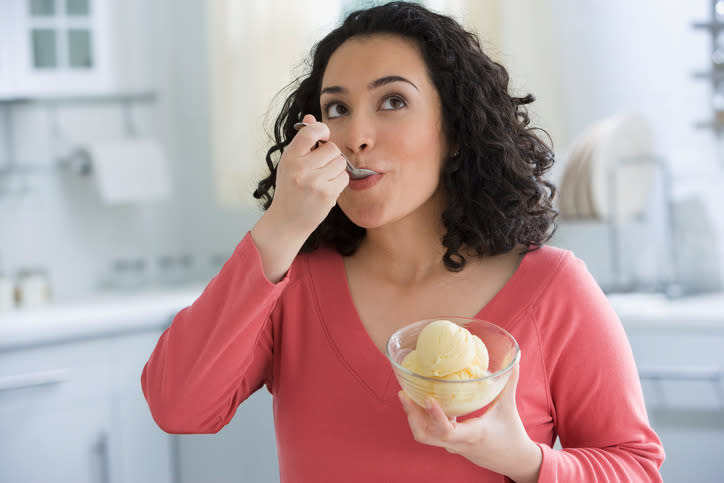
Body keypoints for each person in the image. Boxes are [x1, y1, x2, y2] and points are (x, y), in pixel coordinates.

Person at [142, 2, 665, 481]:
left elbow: (637, 469)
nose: (355, 136)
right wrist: (281, 226)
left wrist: (522, 459)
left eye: (392, 101)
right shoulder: (294, 283)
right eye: (337, 108)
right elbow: (178, 406)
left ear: (455, 128)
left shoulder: (554, 288)